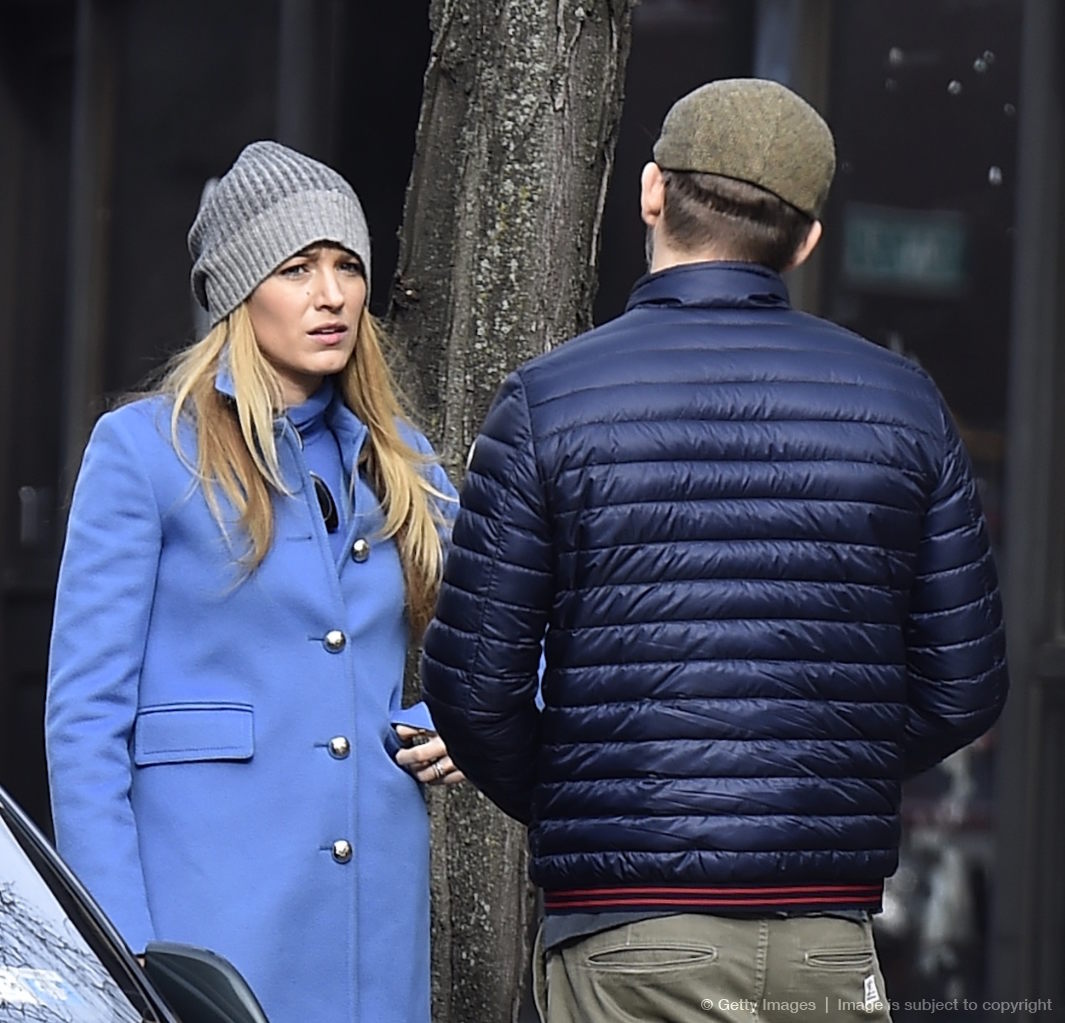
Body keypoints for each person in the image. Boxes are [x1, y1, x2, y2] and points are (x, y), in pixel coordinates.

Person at [421, 79, 1009, 1023]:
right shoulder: (903, 405)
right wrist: (814, 779)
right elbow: (964, 686)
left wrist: (598, 794)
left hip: (629, 930)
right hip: (827, 936)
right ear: (806, 241)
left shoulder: (546, 402)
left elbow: (473, 688)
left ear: (651, 191)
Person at [46, 140, 462, 1023]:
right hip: (209, 918)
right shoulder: (145, 453)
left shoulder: (400, 458)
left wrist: (469, 720)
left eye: (348, 266)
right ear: (241, 290)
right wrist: (123, 956)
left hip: (373, 927)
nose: (331, 294)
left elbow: (515, 623)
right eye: (296, 268)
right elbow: (84, 723)